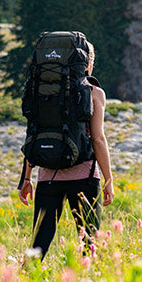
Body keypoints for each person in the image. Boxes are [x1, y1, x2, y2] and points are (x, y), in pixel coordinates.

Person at [18, 40, 114, 258]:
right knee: (89, 242)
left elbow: (32, 134)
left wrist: (26, 179)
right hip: (85, 176)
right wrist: (108, 180)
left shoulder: (41, 91)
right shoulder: (94, 92)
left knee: (38, 244)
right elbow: (98, 138)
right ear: (87, 62)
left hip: (47, 177)